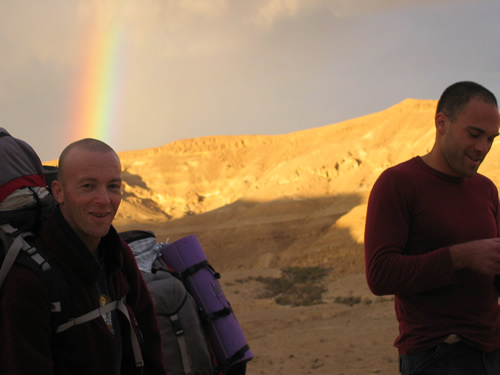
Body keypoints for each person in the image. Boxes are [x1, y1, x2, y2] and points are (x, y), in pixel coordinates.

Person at [365, 81, 500, 374]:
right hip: (437, 357)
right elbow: (380, 274)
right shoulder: (397, 183)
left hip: (492, 349)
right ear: (442, 123)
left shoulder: (487, 189)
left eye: (491, 139)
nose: (483, 148)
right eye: (474, 134)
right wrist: (461, 256)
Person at [0, 138, 167, 374]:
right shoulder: (28, 282)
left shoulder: (118, 254)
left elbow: (150, 344)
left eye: (113, 186)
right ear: (59, 192)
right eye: (88, 186)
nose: (104, 200)